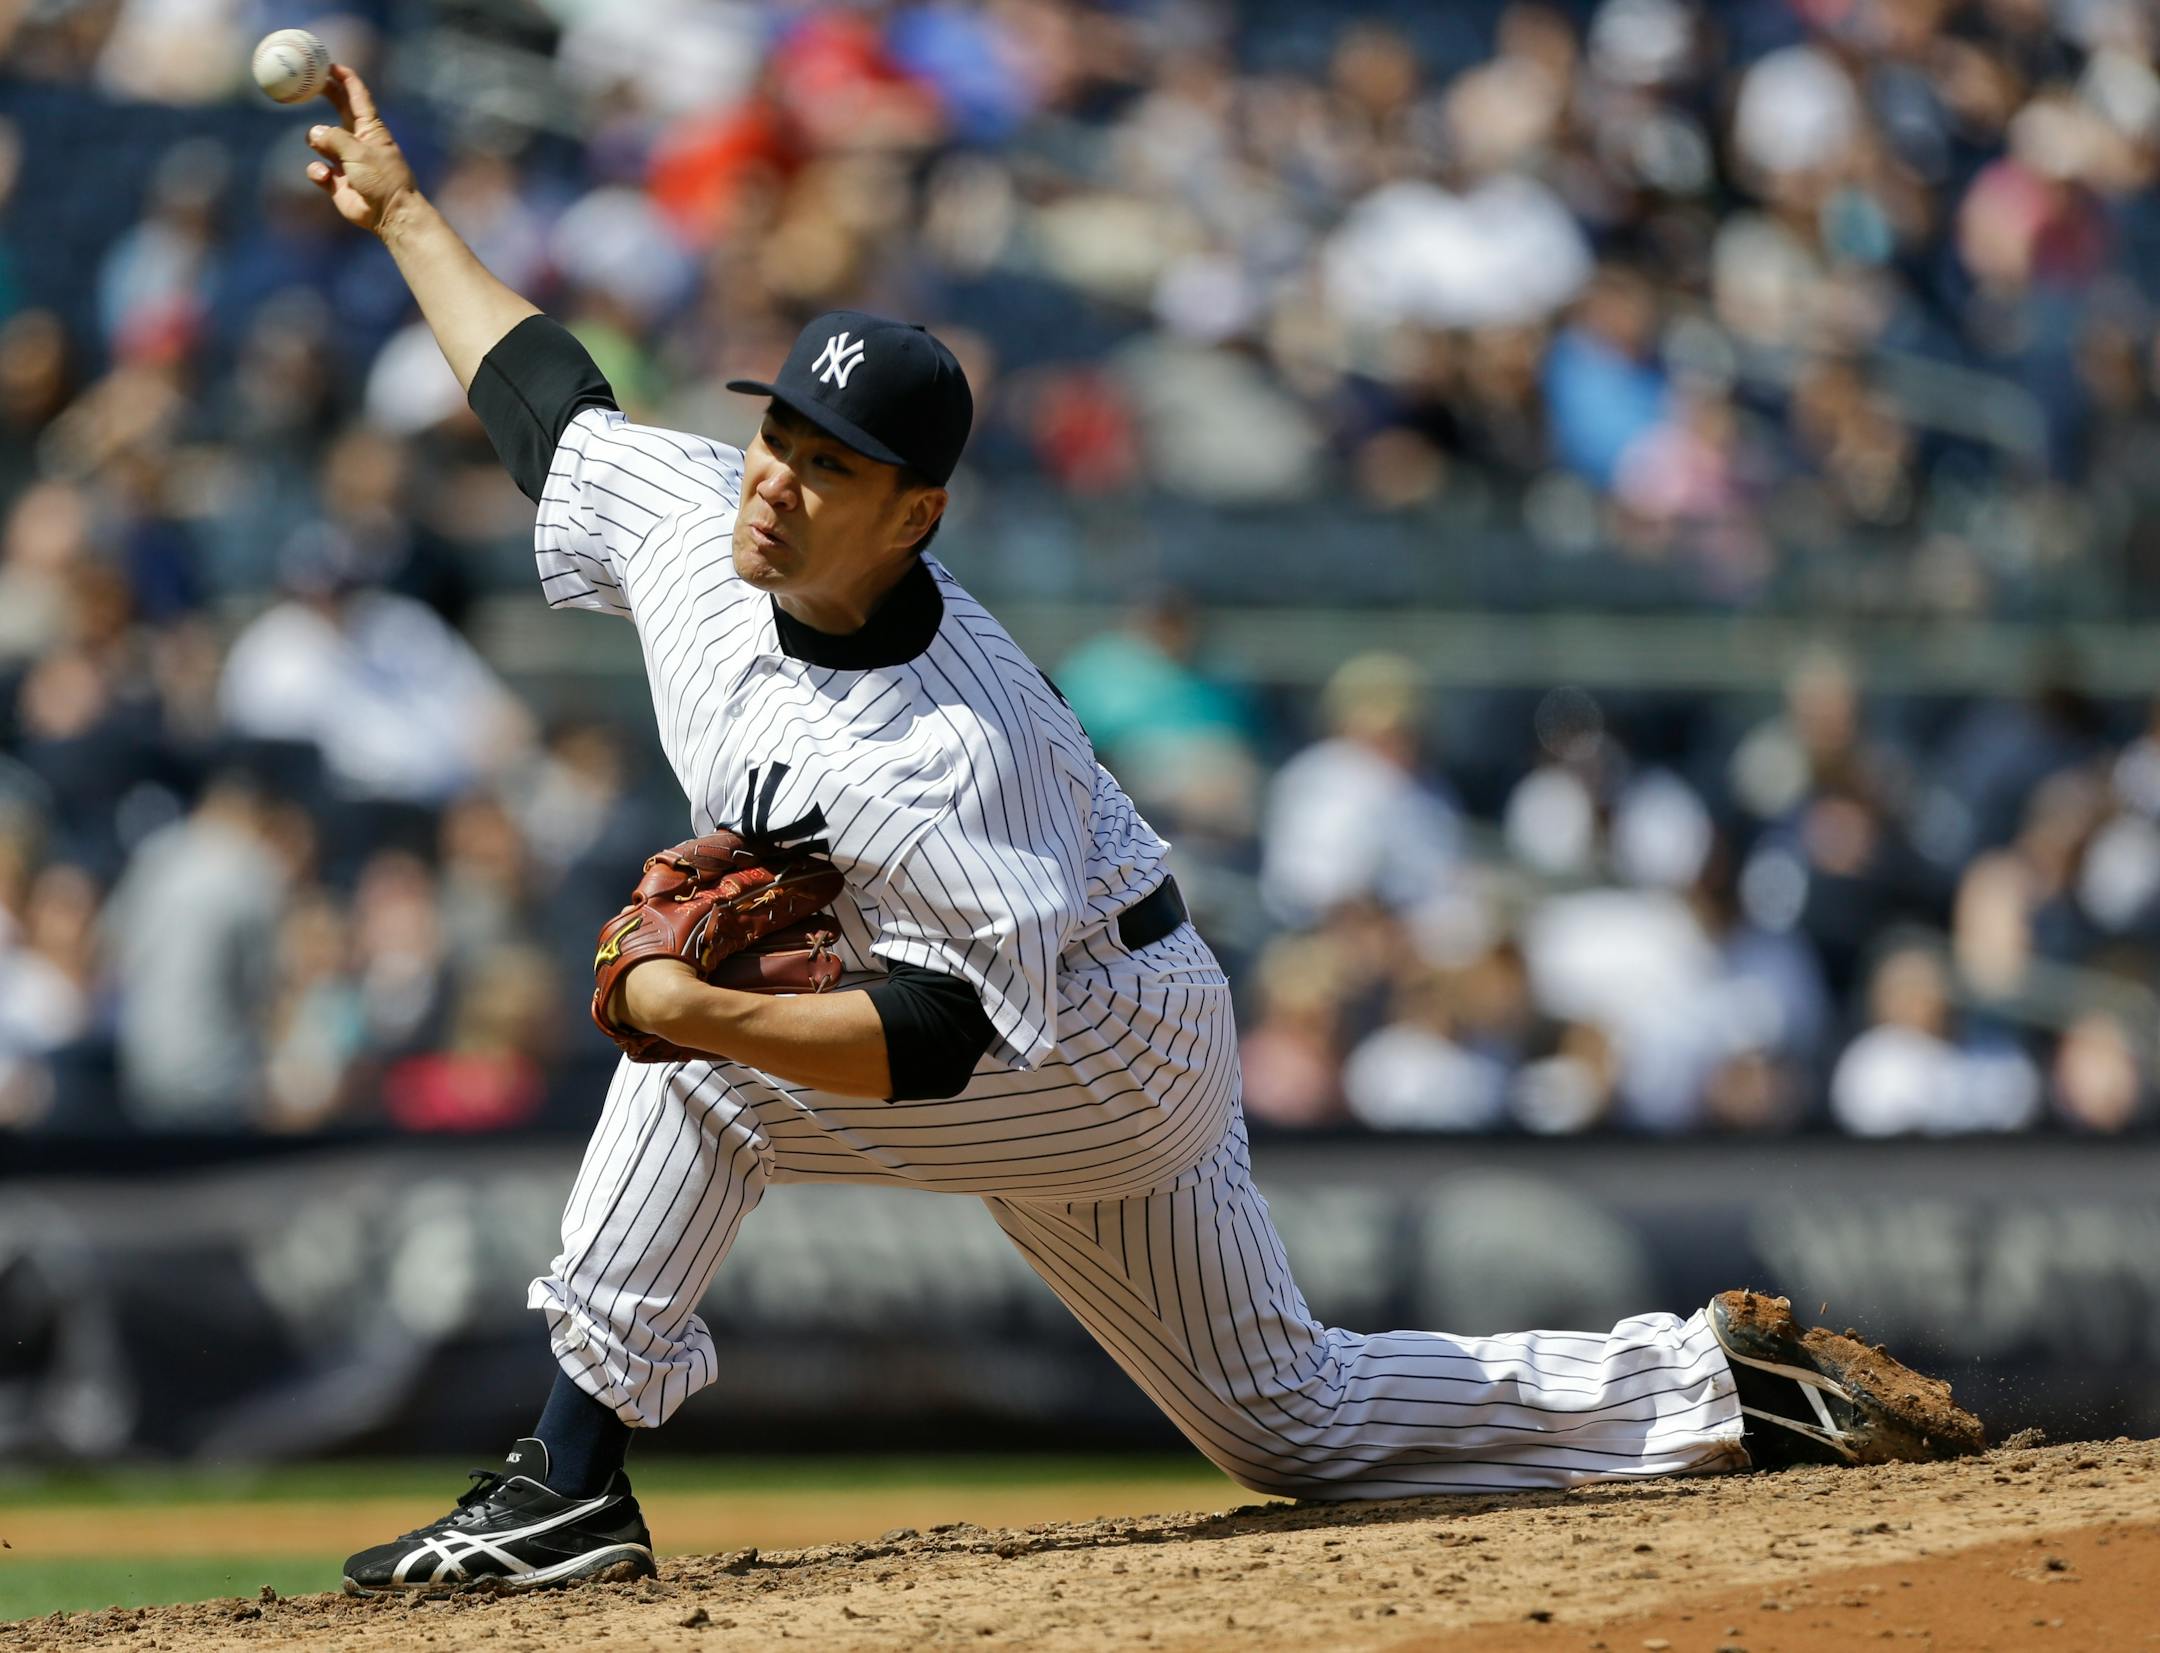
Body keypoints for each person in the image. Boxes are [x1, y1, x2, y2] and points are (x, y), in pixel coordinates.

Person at [298, 65, 1976, 1595]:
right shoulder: (698, 519)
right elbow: (549, 414)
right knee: (1282, 1420)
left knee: (707, 1073)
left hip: (1087, 1039)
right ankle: (1717, 1386)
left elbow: (948, 1036)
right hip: (1089, 994)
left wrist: (698, 1014)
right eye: (780, 436)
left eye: (833, 466)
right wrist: (404, 213)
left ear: (919, 513)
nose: (777, 480)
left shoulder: (953, 744)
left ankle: (567, 1480)